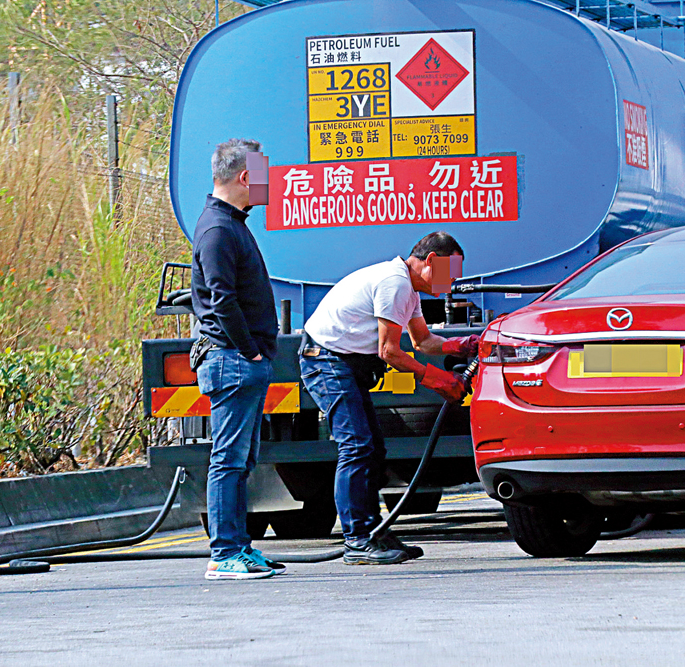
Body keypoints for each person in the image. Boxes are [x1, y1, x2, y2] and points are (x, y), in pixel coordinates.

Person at [300, 232, 479, 565]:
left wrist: (463, 345)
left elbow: (423, 341)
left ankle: (373, 532)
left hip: (342, 362)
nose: (453, 282)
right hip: (326, 360)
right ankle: (357, 540)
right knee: (356, 446)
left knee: (373, 448)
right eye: (450, 273)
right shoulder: (394, 283)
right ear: (431, 262)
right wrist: (437, 380)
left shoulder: (407, 288)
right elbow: (389, 351)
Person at [191, 138, 285, 580]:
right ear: (246, 177)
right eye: (264, 175)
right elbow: (222, 299)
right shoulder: (218, 229)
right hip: (232, 360)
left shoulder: (232, 224)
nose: (269, 184)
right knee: (228, 461)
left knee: (241, 461)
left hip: (240, 358)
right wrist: (250, 349)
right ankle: (225, 553)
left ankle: (240, 548)